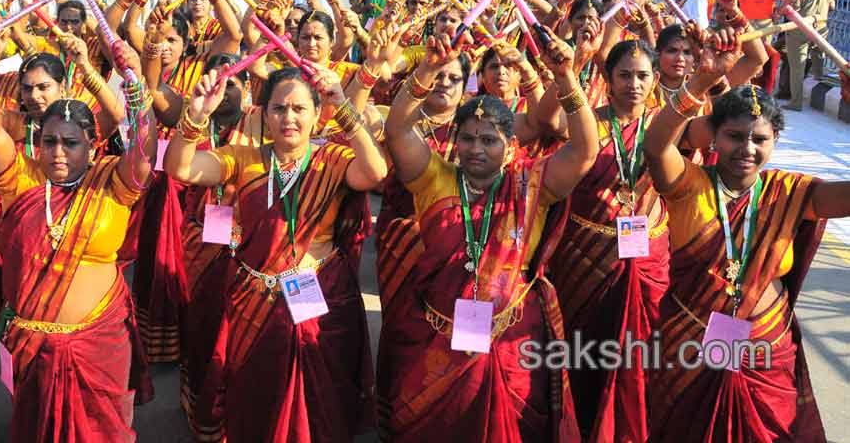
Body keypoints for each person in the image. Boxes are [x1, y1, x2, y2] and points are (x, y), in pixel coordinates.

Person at [379, 29, 598, 442]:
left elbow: (585, 150)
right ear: (455, 142)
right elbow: (397, 132)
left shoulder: (532, 185)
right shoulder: (433, 178)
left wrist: (566, 78)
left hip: (512, 342)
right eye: (467, 138)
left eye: (488, 140)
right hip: (434, 337)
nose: (476, 148)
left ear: (511, 144)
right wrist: (425, 70)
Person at [163, 65, 387, 442]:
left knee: (317, 401)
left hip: (316, 296)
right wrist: (196, 116)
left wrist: (344, 106)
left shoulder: (330, 160)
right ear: (264, 115)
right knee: (256, 392)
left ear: (317, 115)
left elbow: (376, 172)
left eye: (300, 109)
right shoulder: (244, 159)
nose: (289, 118)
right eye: (279, 109)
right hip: (254, 296)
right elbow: (181, 167)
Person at [644, 38, 850, 442]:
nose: (747, 149)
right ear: (713, 138)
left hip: (766, 354)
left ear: (775, 140)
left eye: (760, 139)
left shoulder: (790, 192)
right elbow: (655, 145)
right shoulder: (689, 185)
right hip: (689, 346)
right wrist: (702, 80)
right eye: (735, 136)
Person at [0, 24, 157, 442]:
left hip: (99, 343)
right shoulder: (23, 181)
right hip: (35, 346)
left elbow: (143, 153)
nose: (58, 152)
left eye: (71, 142)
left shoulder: (111, 182)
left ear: (92, 142)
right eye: (49, 141)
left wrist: (136, 84)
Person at [546, 40, 670, 443]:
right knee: (582, 351)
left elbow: (721, 119)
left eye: (643, 76)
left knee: (643, 354)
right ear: (607, 79)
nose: (634, 84)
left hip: (647, 260)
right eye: (624, 75)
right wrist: (566, 72)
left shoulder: (664, 126)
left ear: (655, 80)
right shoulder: (589, 124)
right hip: (585, 256)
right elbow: (544, 122)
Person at [783, 0, 835, 111]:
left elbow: (791, 10)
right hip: (821, 28)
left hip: (800, 30)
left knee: (797, 67)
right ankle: (819, 79)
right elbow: (832, 6)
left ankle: (796, 102)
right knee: (818, 58)